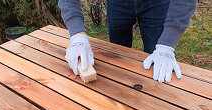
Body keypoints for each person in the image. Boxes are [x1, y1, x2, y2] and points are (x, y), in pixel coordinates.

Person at [58, 0, 197, 82]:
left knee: (157, 66)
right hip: (117, 3)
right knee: (116, 59)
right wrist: (77, 35)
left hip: (158, 3)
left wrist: (167, 45)